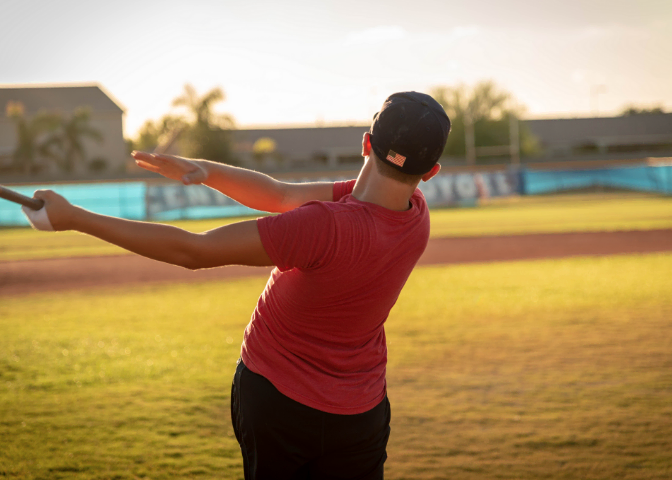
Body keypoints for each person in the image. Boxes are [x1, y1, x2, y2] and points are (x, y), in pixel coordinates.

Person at [23, 91, 450, 479]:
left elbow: (195, 251)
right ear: (430, 172)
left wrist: (76, 218)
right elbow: (281, 195)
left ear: (365, 143)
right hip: (360, 413)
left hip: (278, 402)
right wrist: (205, 171)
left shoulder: (324, 225)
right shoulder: (416, 215)